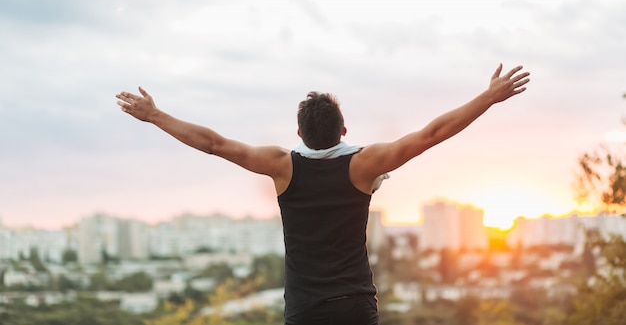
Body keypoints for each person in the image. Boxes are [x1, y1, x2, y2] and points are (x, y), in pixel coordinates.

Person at [115, 63, 530, 325]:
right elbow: (432, 135)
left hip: (305, 308)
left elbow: (214, 144)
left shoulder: (282, 166)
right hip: (354, 305)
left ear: (299, 134)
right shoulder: (363, 164)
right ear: (344, 131)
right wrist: (489, 97)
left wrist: (154, 115)